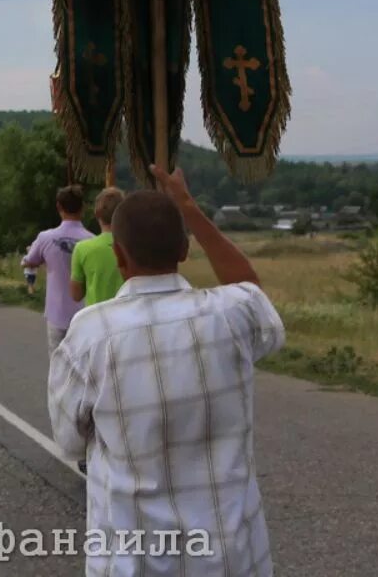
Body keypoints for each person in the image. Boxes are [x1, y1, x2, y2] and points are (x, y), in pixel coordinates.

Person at [48, 166, 285, 576]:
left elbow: (69, 442)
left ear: (118, 256)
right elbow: (252, 290)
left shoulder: (89, 334)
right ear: (184, 249)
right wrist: (189, 208)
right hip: (230, 558)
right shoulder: (230, 314)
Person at [21, 185, 94, 355]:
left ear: (59, 207)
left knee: (57, 366)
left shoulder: (46, 237)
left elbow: (28, 262)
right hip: (85, 314)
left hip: (57, 313)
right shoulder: (92, 240)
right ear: (83, 207)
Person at [70, 187, 126, 307]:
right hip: (128, 317)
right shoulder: (134, 246)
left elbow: (76, 295)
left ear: (96, 213)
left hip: (95, 318)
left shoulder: (82, 248)